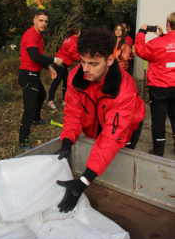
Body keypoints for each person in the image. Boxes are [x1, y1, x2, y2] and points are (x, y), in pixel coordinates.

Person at [55, 28, 146, 213]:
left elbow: (112, 138)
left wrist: (83, 181)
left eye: (93, 63)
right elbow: (73, 113)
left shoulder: (124, 90)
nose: (85, 69)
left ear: (110, 60)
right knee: (97, 156)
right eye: (82, 61)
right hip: (94, 123)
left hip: (126, 128)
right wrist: (67, 142)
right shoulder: (76, 77)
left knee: (117, 162)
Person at [19, 10, 63, 149]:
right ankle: (23, 142)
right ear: (34, 20)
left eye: (45, 21)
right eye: (41, 20)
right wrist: (55, 60)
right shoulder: (30, 35)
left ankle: (36, 119)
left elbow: (39, 57)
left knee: (42, 95)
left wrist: (48, 67)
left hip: (34, 75)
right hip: (27, 75)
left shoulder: (39, 36)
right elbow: (34, 57)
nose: (44, 23)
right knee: (29, 108)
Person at [135, 12, 175, 157]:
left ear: (168, 24)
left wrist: (141, 32)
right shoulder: (162, 40)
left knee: (159, 118)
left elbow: (140, 50)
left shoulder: (157, 43)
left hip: (159, 86)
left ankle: (158, 150)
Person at [48, 25, 81, 110]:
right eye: (80, 31)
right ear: (77, 32)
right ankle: (50, 101)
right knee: (56, 82)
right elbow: (73, 55)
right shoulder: (73, 41)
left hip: (63, 64)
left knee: (66, 81)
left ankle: (65, 100)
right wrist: (82, 57)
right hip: (61, 64)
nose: (80, 33)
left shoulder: (68, 39)